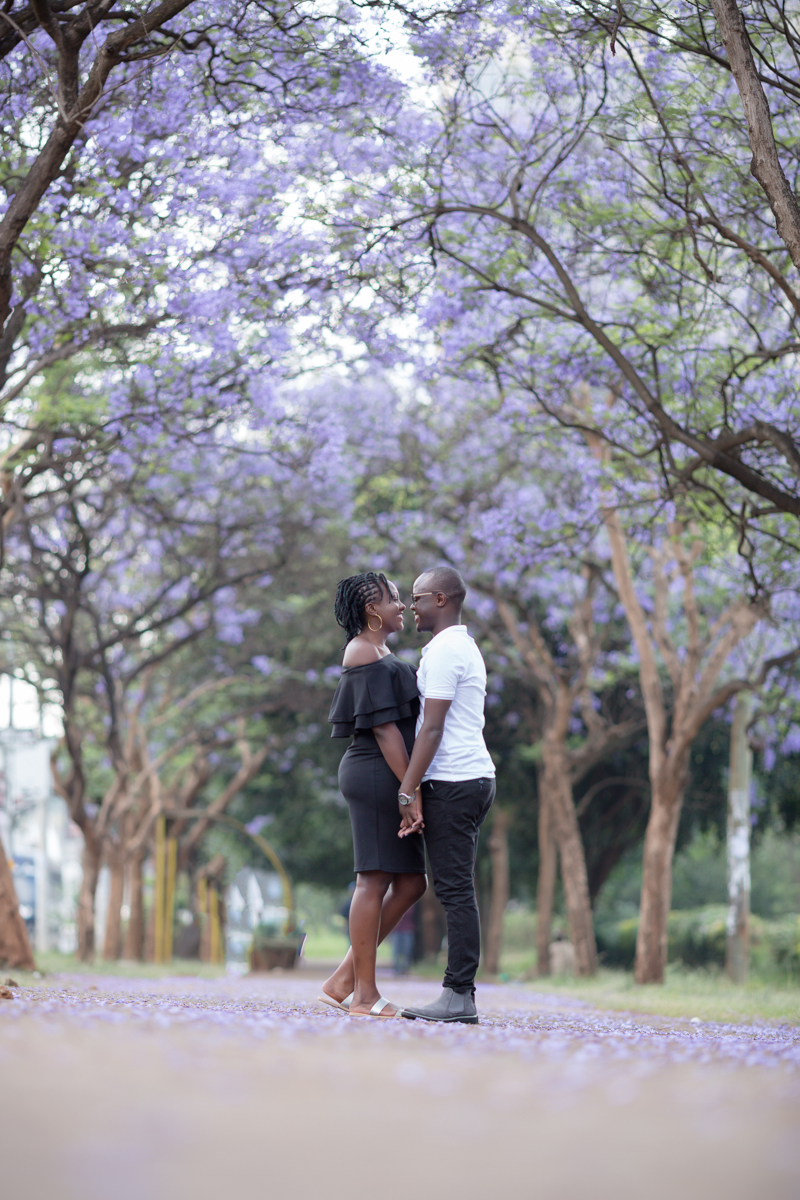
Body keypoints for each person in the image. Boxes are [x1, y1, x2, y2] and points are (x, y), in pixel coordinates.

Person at [319, 571, 427, 1018]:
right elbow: (383, 730)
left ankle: (344, 978)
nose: (402, 606)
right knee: (374, 880)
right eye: (395, 599)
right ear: (371, 610)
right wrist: (409, 792)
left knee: (412, 882)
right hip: (376, 772)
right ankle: (363, 995)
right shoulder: (361, 649)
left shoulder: (380, 649)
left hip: (389, 774)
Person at [396, 566, 495, 1024]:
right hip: (467, 778)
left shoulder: (444, 651)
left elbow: (432, 729)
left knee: (455, 890)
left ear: (439, 600)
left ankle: (458, 994)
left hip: (454, 781)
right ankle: (459, 992)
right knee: (455, 888)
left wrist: (406, 788)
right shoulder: (458, 646)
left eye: (416, 598)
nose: (410, 607)